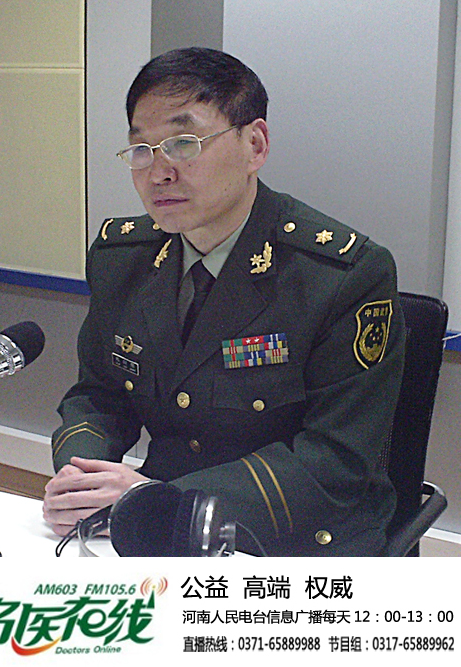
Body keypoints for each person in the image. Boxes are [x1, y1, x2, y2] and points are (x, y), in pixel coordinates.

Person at [43, 46, 405, 556]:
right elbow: (99, 395)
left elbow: (335, 461)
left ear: (254, 145)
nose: (158, 172)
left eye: (183, 144)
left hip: (297, 536)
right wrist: (81, 476)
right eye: (142, 149)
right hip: (158, 519)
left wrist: (158, 500)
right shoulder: (122, 258)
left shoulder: (341, 275)